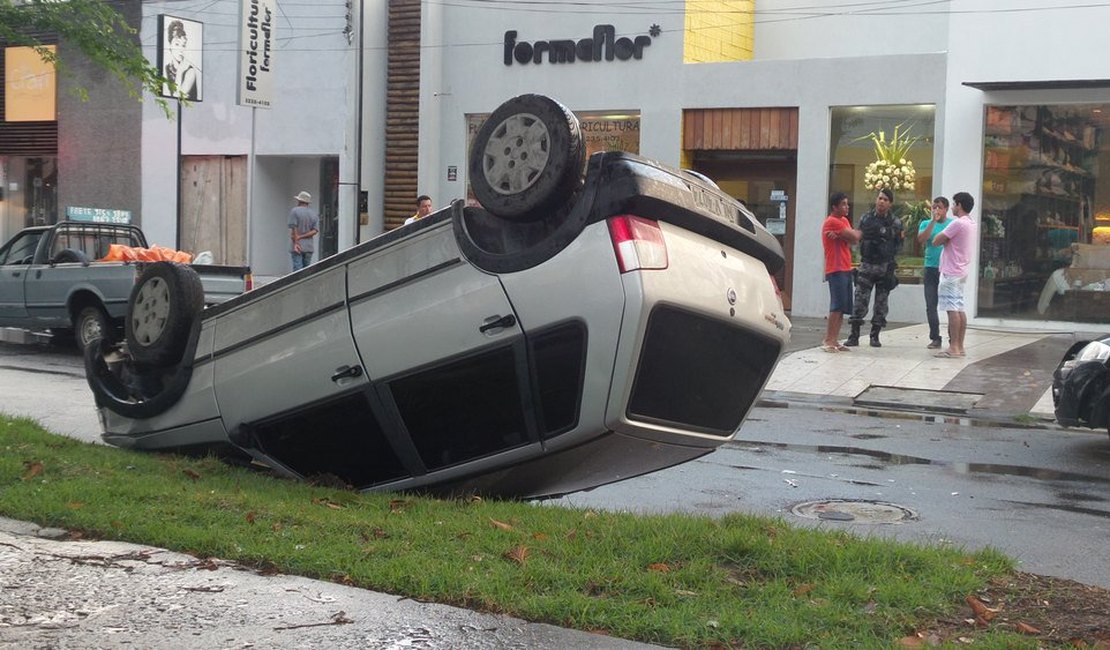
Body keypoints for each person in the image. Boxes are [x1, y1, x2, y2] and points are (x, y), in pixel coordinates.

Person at [845, 187, 903, 348]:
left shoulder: (895, 222)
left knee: (881, 304)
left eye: (885, 199)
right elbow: (859, 238)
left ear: (890, 203)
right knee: (860, 301)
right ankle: (854, 335)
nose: (881, 202)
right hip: (867, 265)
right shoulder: (866, 218)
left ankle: (875, 336)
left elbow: (899, 245)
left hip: (885, 267)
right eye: (880, 198)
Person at [932, 191, 978, 358]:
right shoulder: (971, 223)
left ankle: (953, 347)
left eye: (953, 204)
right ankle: (960, 346)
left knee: (952, 309)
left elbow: (936, 240)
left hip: (951, 271)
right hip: (961, 270)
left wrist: (945, 237)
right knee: (959, 307)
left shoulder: (958, 223)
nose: (952, 207)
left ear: (959, 205)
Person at [821, 192, 861, 352]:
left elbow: (853, 240)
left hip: (845, 267)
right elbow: (855, 235)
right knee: (836, 306)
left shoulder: (843, 221)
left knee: (843, 306)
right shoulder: (832, 221)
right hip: (835, 268)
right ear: (834, 207)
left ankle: (835, 340)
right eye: (843, 204)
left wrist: (841, 236)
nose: (847, 207)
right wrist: (844, 235)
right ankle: (828, 340)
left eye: (847, 203)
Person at [916, 196, 954, 349]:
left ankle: (953, 337)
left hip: (947, 268)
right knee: (931, 304)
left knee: (951, 304)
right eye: (934, 207)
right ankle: (935, 337)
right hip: (931, 268)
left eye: (939, 207)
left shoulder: (952, 224)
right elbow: (921, 239)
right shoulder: (926, 223)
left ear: (946, 209)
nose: (936, 210)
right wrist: (933, 221)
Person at [164, 20, 198, 101]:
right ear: (170, 45)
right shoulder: (167, 68)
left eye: (183, 45)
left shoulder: (190, 71)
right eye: (177, 44)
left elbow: (177, 96)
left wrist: (179, 71)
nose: (180, 49)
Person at [288, 191, 319, 272]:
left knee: (297, 269)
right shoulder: (313, 213)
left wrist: (296, 241)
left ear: (299, 201)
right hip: (309, 246)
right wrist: (303, 236)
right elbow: (315, 230)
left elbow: (293, 227)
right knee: (306, 270)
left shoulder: (294, 211)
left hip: (297, 245)